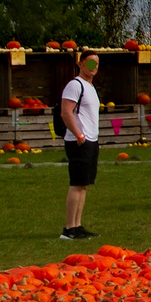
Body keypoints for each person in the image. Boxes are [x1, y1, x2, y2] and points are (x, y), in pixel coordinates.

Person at [59, 52, 102, 240]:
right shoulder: (74, 85)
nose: (94, 66)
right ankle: (69, 229)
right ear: (81, 63)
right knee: (76, 184)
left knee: (84, 184)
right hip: (79, 141)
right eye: (90, 62)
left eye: (97, 63)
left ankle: (77, 225)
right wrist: (78, 134)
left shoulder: (91, 87)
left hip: (91, 140)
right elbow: (66, 113)